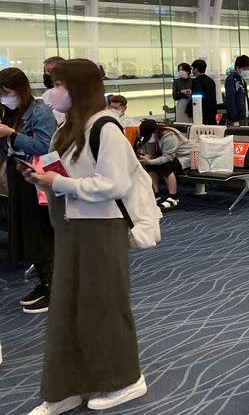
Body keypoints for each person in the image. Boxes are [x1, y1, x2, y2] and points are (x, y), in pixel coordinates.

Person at [21, 59, 156, 414]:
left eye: (61, 84)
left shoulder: (105, 128)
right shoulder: (65, 129)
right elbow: (65, 172)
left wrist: (59, 182)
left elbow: (113, 184)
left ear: (79, 88)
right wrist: (44, 180)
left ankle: (125, 379)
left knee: (104, 306)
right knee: (67, 306)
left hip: (101, 229)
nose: (53, 91)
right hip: (70, 227)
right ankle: (66, 385)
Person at [0, 68, 57, 314]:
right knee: (27, 233)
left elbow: (46, 146)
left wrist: (12, 135)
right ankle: (44, 282)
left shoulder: (40, 111)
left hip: (37, 177)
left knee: (40, 232)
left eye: (7, 92)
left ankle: (53, 288)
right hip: (18, 174)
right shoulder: (9, 113)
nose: (4, 97)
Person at [136, 119, 192, 210]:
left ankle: (173, 197)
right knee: (150, 165)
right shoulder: (151, 137)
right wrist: (145, 159)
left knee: (165, 166)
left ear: (154, 131)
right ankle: (156, 195)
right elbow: (151, 154)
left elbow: (168, 157)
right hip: (171, 157)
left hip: (185, 157)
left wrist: (150, 161)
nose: (148, 139)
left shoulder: (169, 136)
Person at [224, 55, 249, 126]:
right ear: (237, 67)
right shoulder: (231, 80)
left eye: (248, 69)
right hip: (237, 119)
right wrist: (234, 119)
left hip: (244, 116)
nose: (247, 71)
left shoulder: (242, 80)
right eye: (245, 69)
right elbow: (230, 100)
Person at [190, 59, 219, 125]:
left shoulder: (196, 81)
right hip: (212, 112)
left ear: (196, 69)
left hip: (202, 114)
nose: (192, 71)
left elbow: (196, 100)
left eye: (193, 69)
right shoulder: (211, 80)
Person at [41, 55, 66, 124]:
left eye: (50, 71)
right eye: (44, 71)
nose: (46, 74)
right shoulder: (47, 94)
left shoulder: (71, 94)